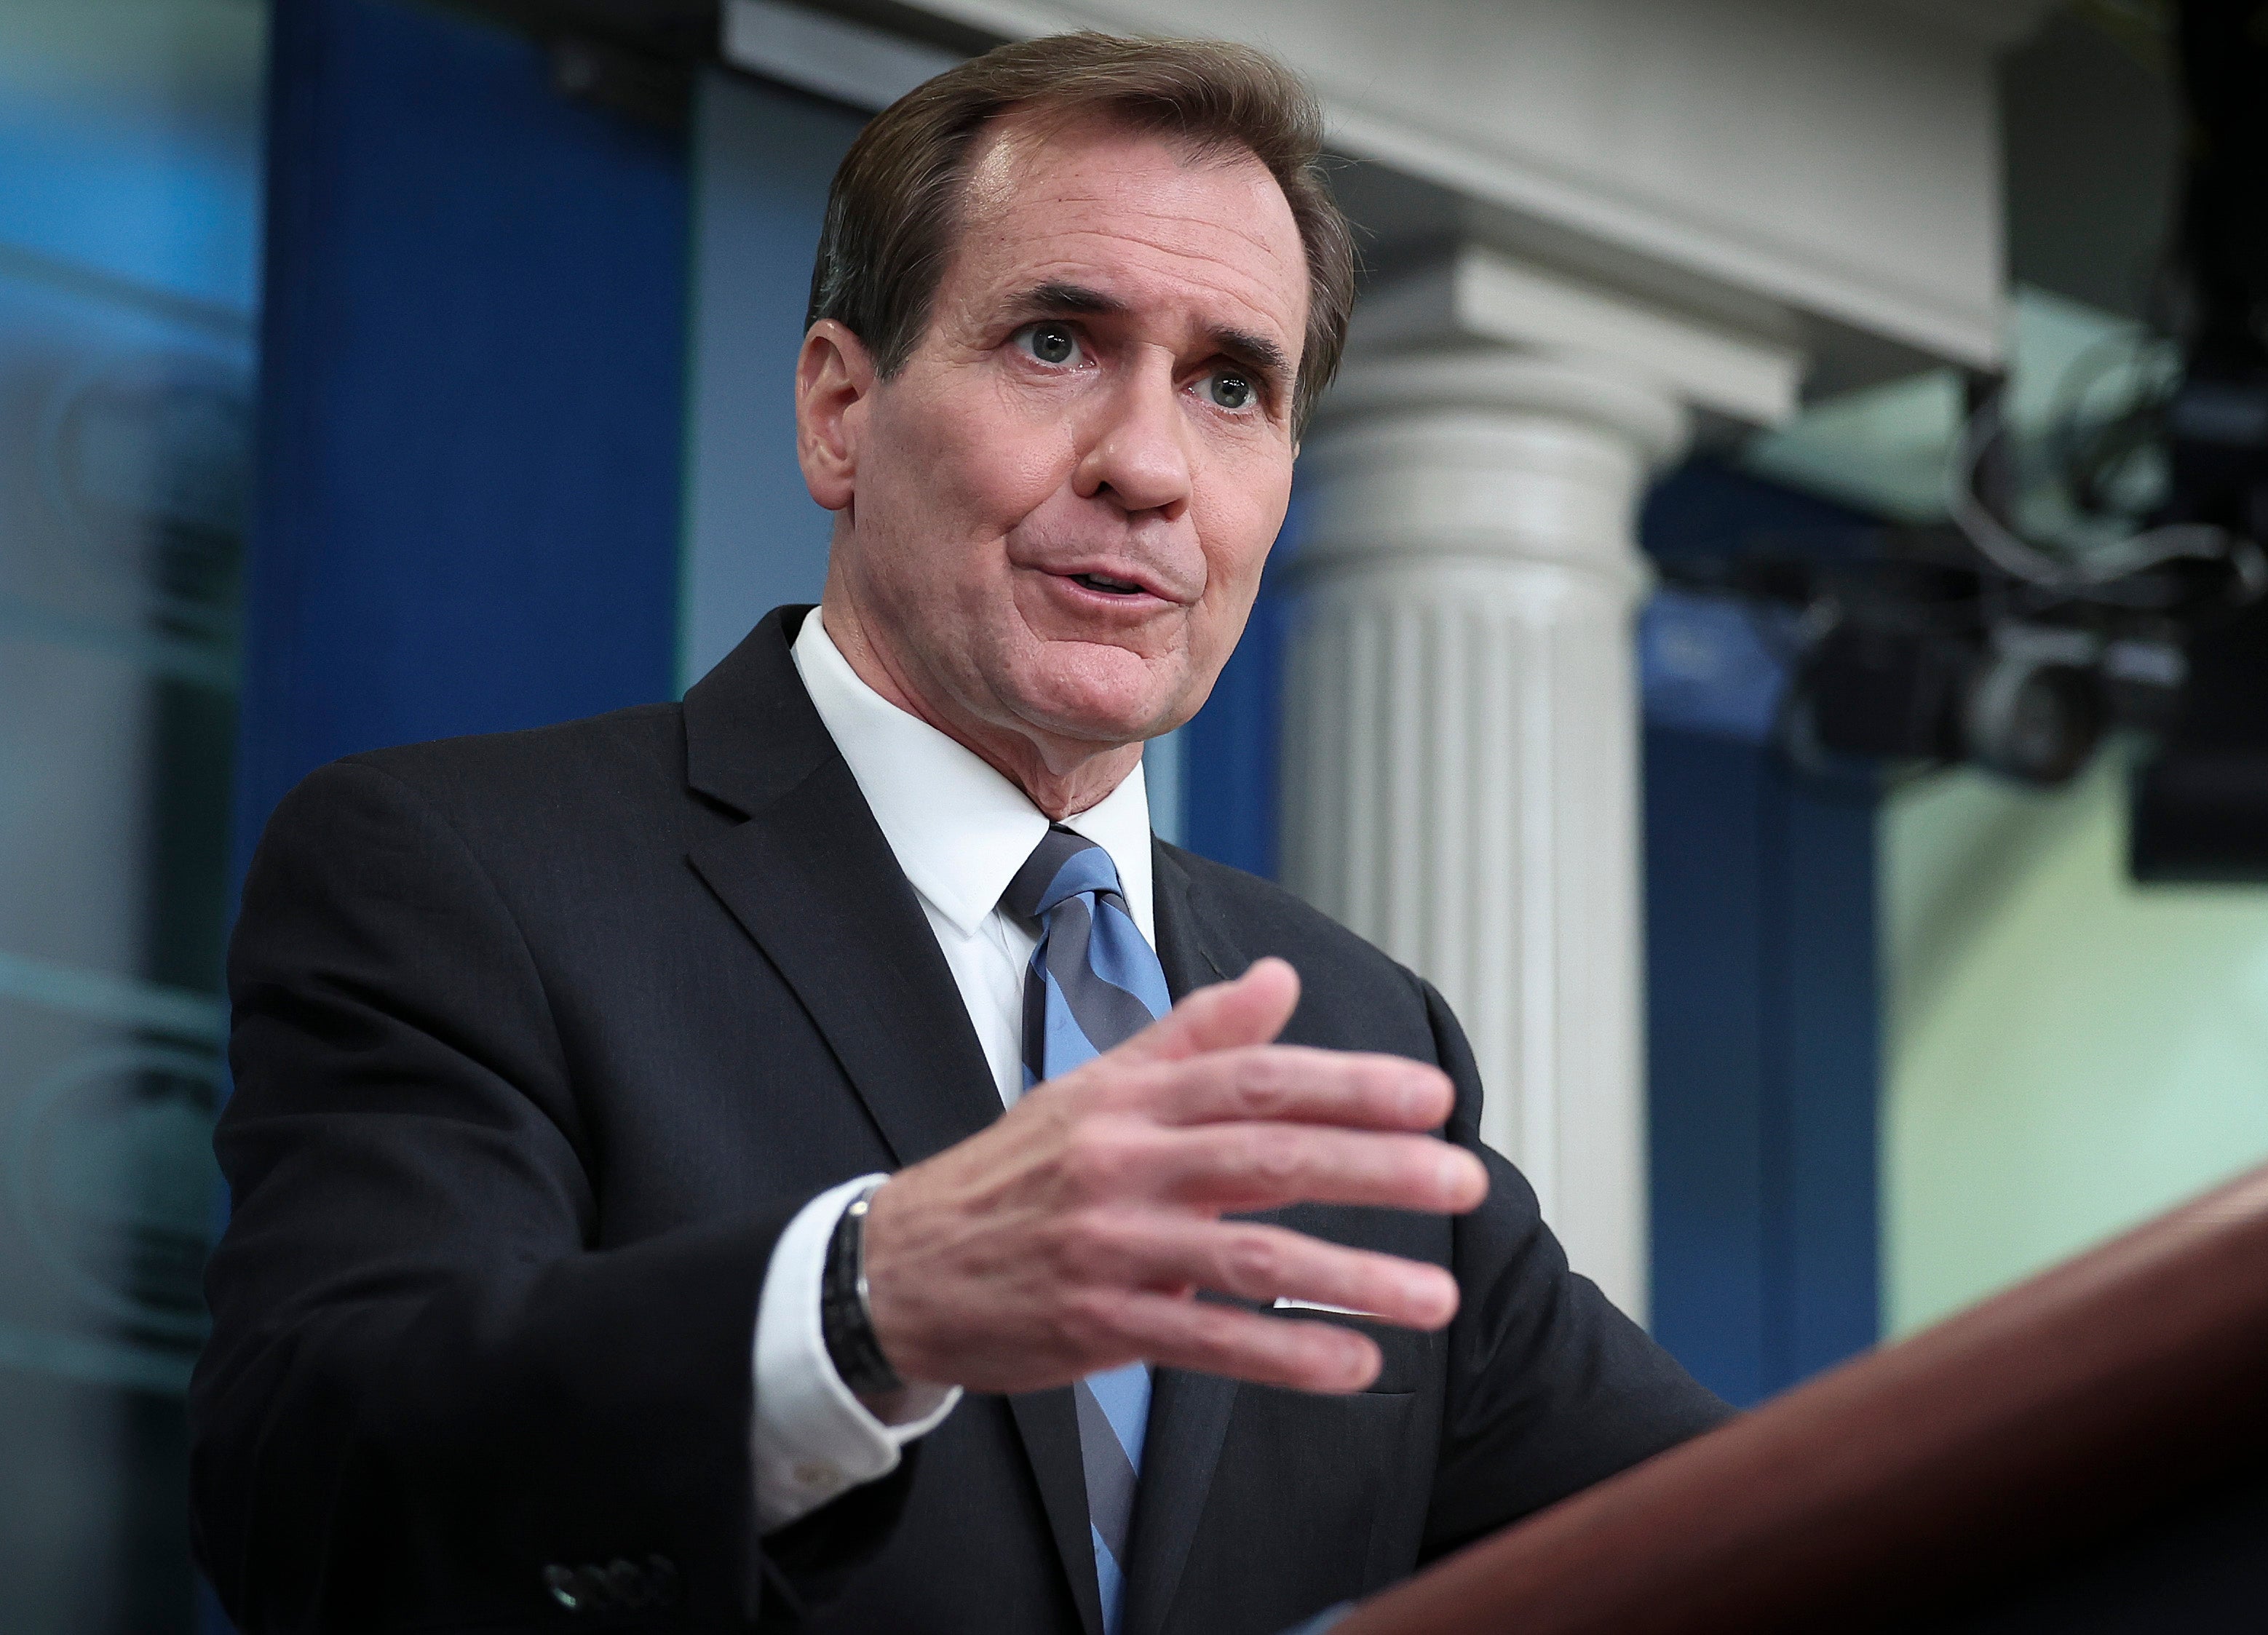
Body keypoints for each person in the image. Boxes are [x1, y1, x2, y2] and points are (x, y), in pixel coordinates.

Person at [192, 32, 1729, 1635]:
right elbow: (308, 1487)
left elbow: (1742, 1531)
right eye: (1058, 341)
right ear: (839, 412)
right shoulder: (464, 874)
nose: (1147, 465)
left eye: (1230, 384)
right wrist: (868, 1299)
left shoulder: (1353, 1025)